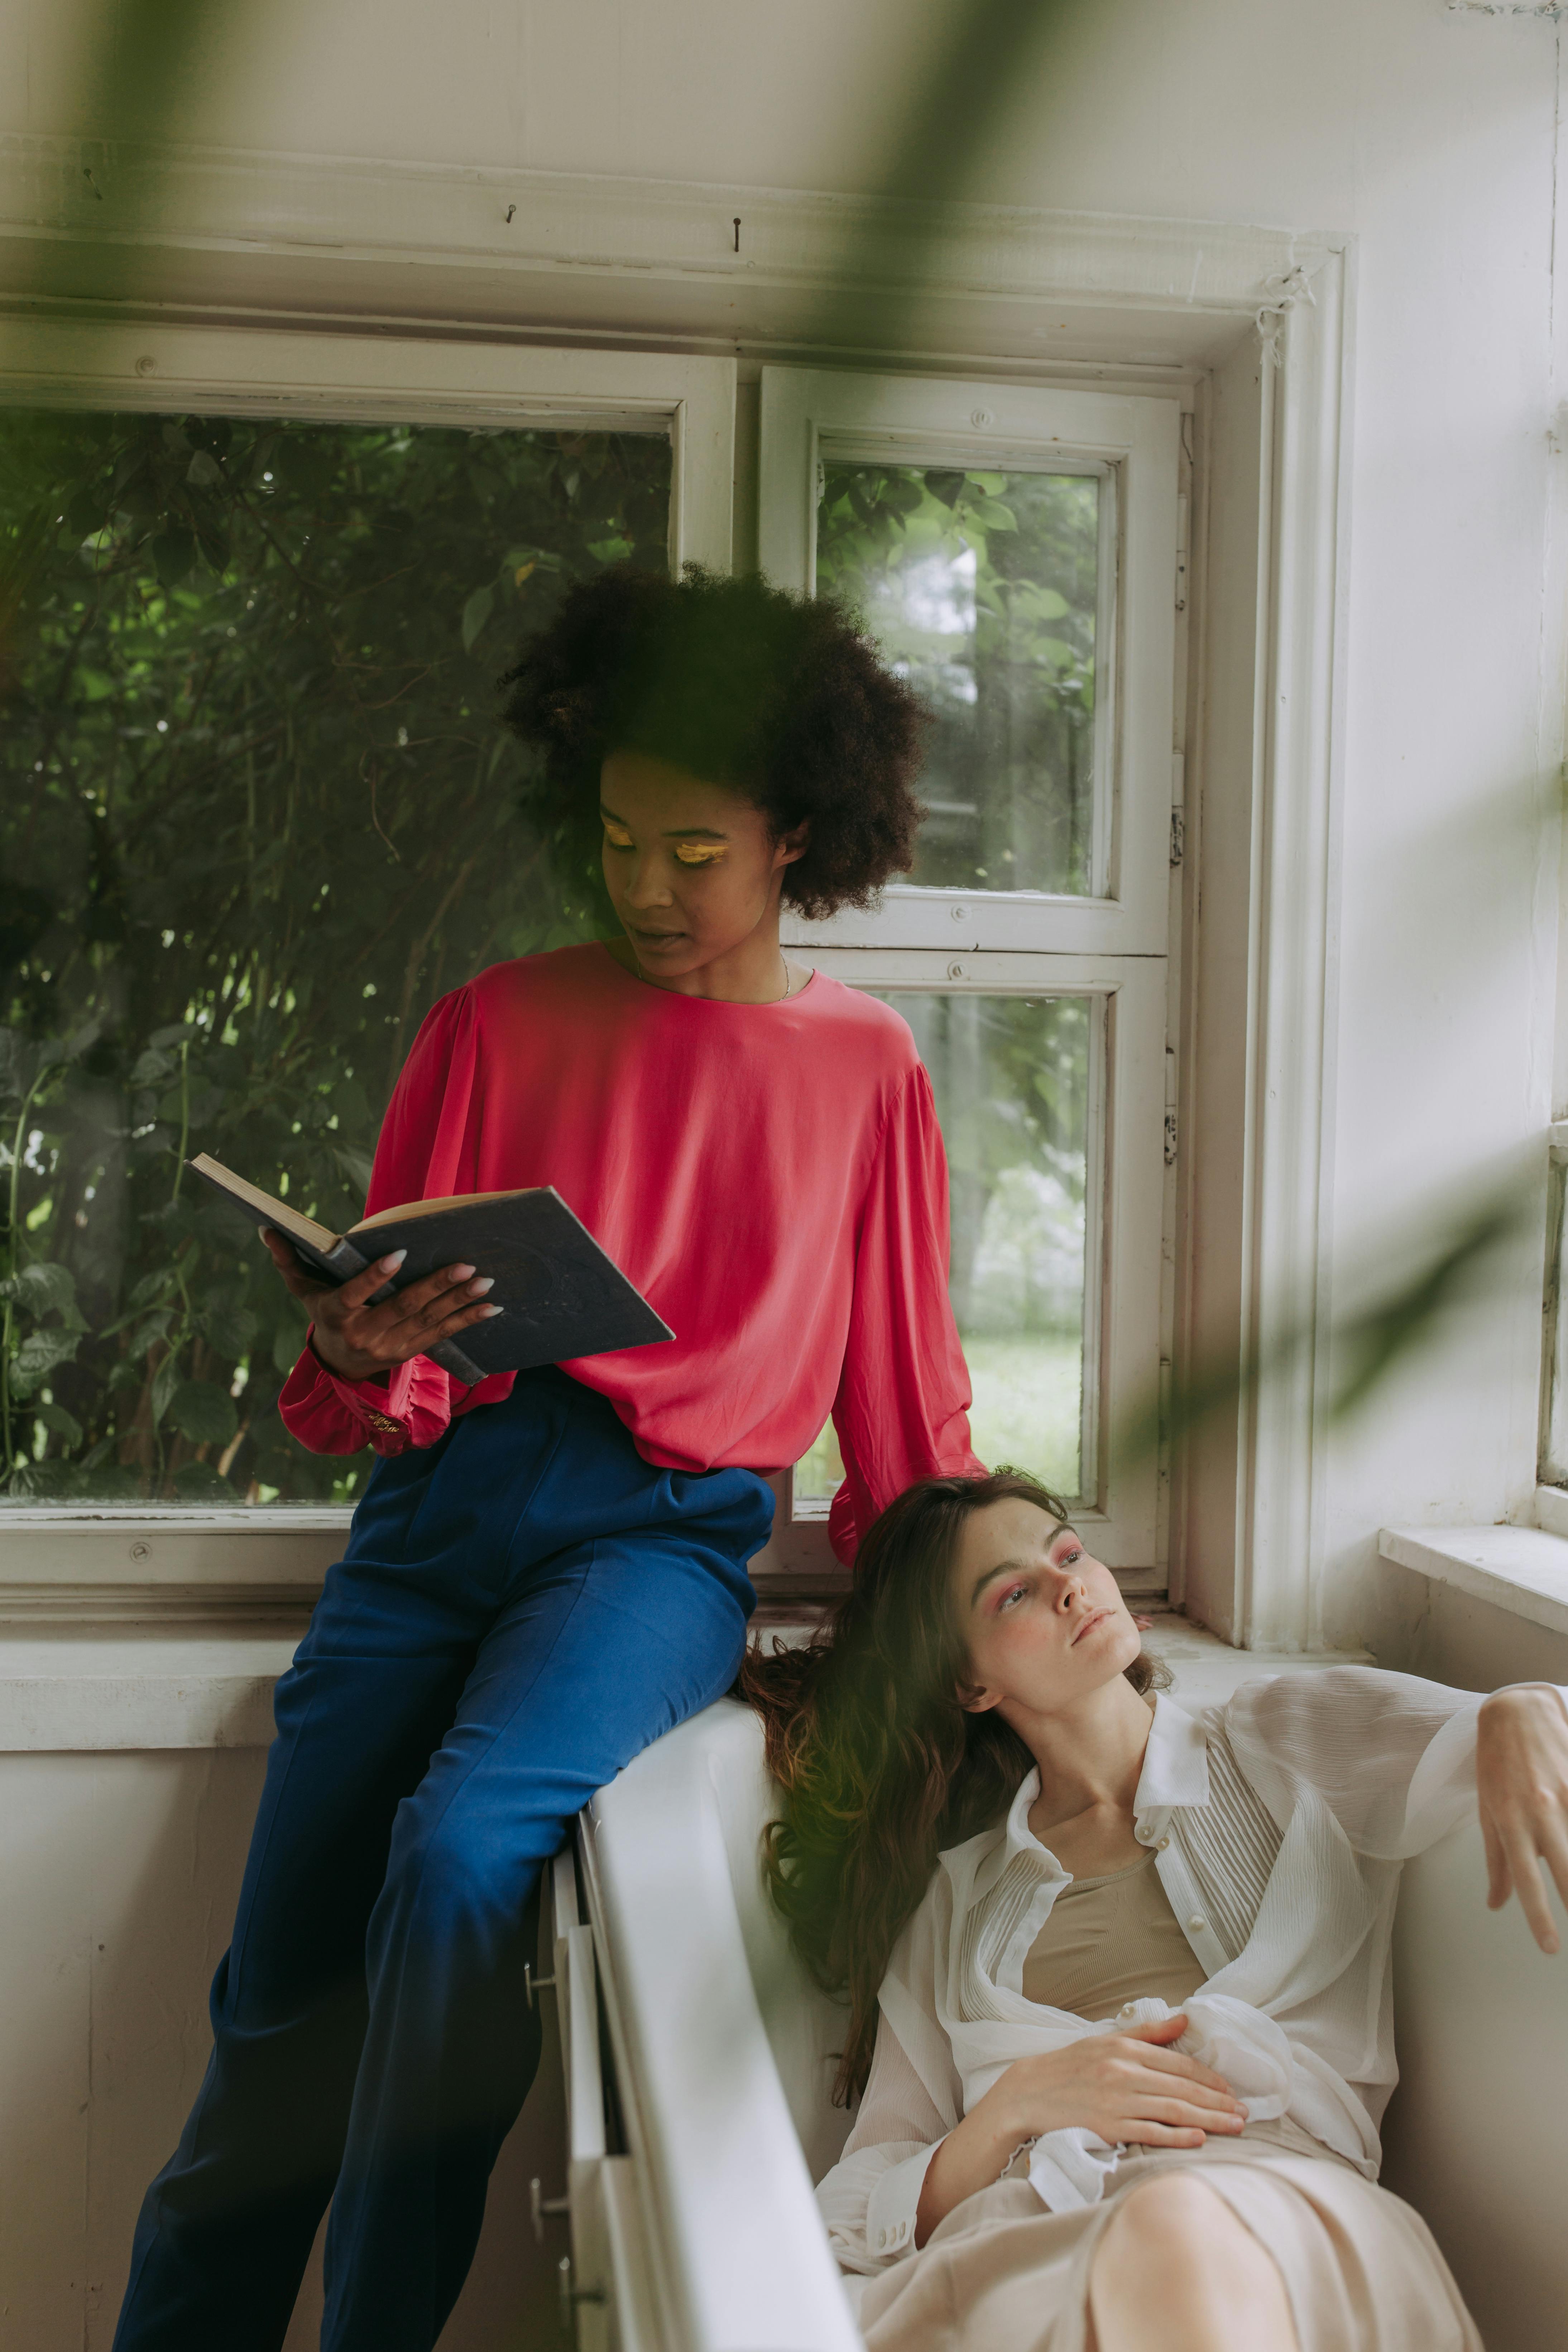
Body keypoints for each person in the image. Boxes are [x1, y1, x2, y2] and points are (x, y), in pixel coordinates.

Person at [112, 565, 985, 2352]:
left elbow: (901, 1404)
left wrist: (970, 1635)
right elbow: (391, 1377)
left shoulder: (866, 1071)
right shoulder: (497, 1021)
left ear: (794, 834)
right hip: (443, 1508)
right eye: (615, 843)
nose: (646, 890)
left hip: (654, 1547)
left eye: (693, 853)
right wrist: (353, 1347)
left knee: (459, 1856)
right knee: (275, 2006)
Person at [741, 1468, 1568, 2352]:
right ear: (966, 1684)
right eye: (1015, 1591)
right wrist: (1016, 2105)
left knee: (1170, 2228)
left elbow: (1488, 1729)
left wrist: (1522, 1705)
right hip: (1025, 2240)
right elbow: (853, 2202)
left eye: (1068, 1553)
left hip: (1277, 2222)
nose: (1069, 1585)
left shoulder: (1280, 1742)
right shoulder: (958, 1896)